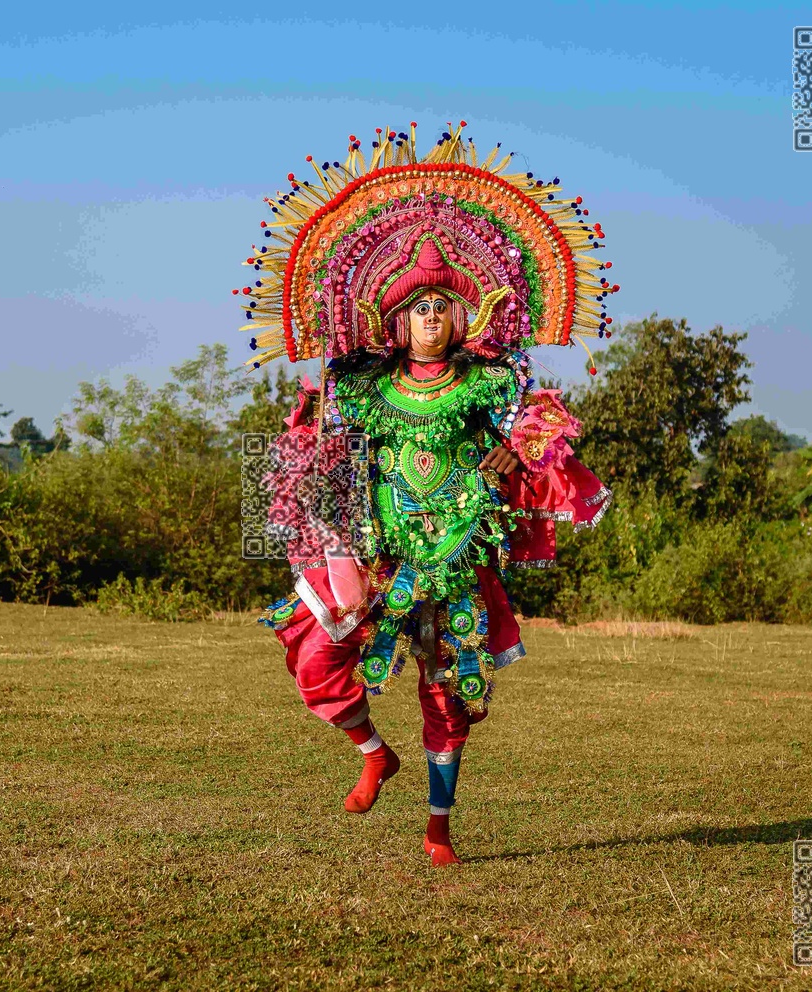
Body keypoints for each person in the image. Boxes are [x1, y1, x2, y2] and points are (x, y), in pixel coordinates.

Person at [243, 121, 617, 865]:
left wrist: (510, 455)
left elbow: (545, 425)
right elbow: (324, 453)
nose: (432, 319)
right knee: (315, 656)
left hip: (455, 552)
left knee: (447, 697)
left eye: (444, 307)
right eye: (420, 308)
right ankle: (372, 752)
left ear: (464, 315)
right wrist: (317, 461)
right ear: (395, 316)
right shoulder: (362, 385)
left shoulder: (490, 379)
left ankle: (438, 829)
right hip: (380, 552)